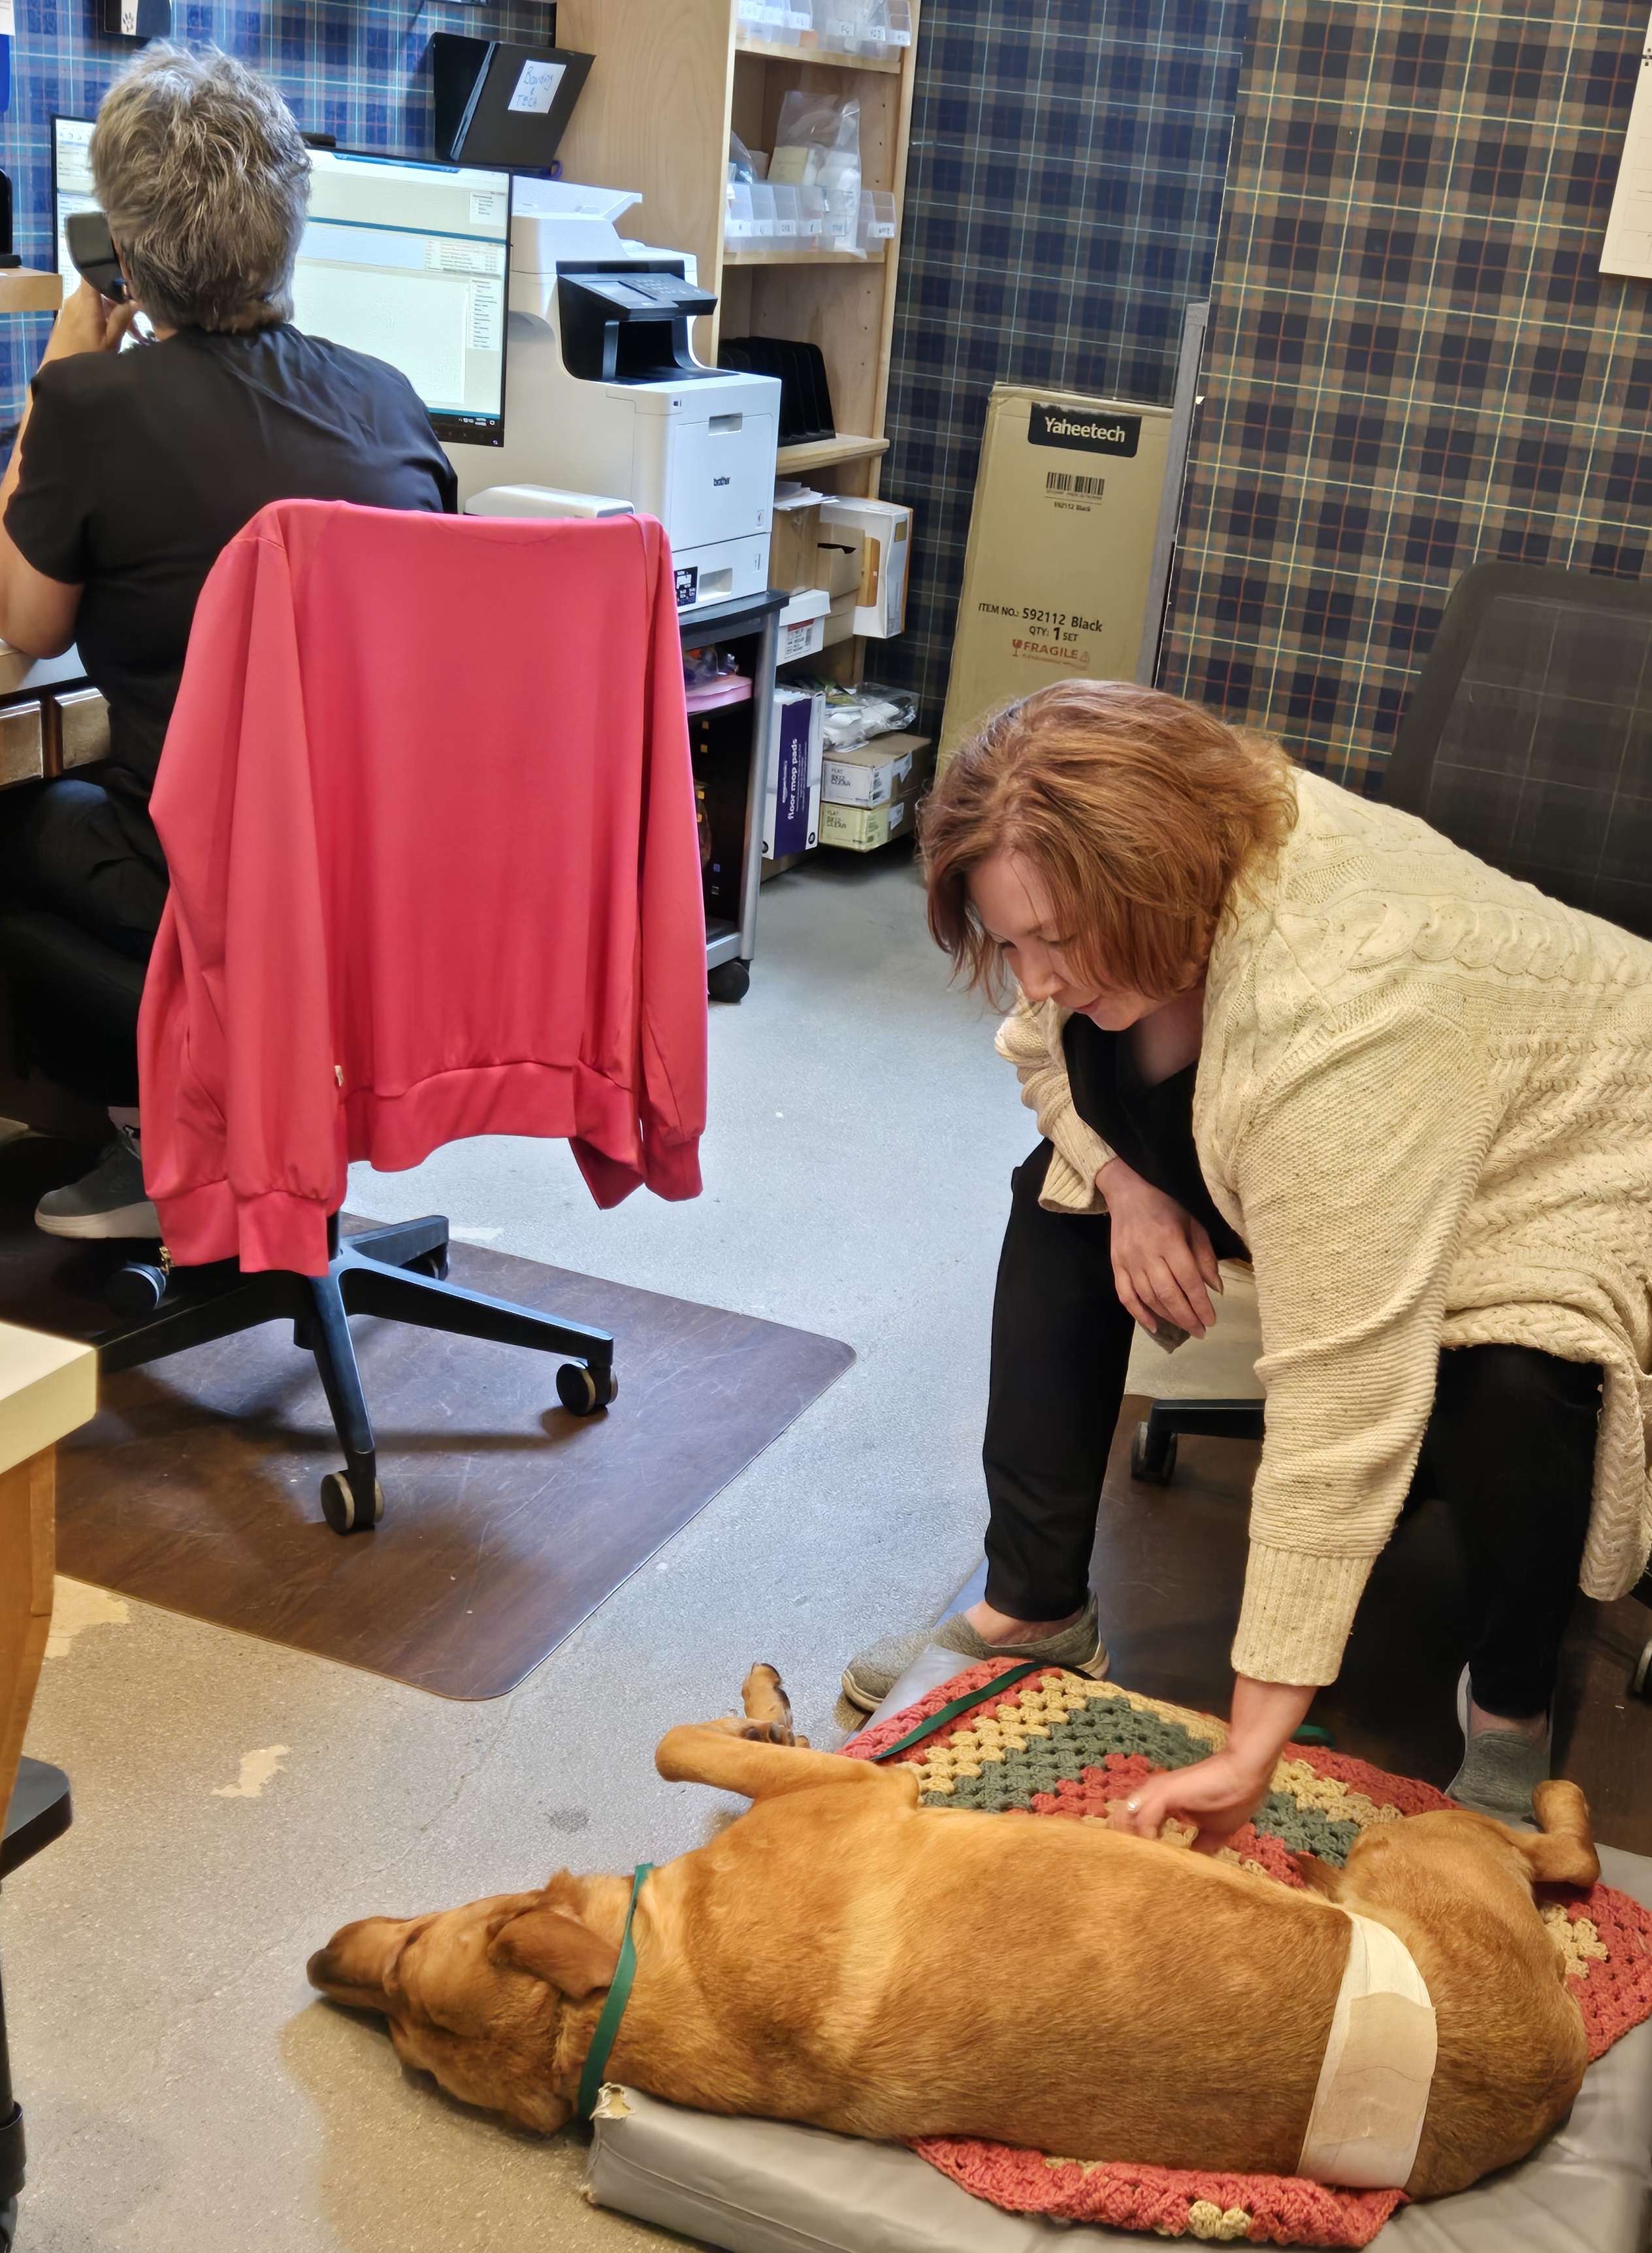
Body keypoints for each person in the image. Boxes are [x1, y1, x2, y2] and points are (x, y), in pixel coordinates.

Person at [843, 679, 1652, 1832]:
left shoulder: (1335, 1016)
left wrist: (1246, 1748)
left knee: (1520, 1379)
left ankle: (1512, 1705)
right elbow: (1040, 1056)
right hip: (1355, 1108)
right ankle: (1033, 1604)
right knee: (1060, 1195)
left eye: (1057, 944)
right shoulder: (1154, 870)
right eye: (1009, 940)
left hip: (1560, 1166)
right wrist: (1127, 1188)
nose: (1034, 979)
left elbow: (1339, 1401)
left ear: (1154, 888)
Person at [0, 44, 455, 1238]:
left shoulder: (92, 410)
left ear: (125, 251)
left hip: (222, 893)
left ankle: (164, 1133)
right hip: (389, 891)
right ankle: (210, 1120)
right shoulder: (392, 400)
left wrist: (55, 379)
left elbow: (24, 623)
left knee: (15, 825)